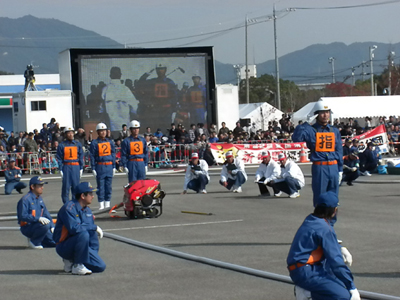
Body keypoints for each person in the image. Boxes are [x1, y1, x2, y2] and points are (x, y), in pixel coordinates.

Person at [287, 192, 360, 300]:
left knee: (336, 281)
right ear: (334, 211)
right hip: (306, 271)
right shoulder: (324, 228)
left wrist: (340, 248)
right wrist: (351, 287)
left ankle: (310, 292)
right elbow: (336, 261)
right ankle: (308, 293)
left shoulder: (311, 219)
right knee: (343, 296)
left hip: (302, 268)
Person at [292, 99, 343, 206]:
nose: (325, 115)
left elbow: (339, 150)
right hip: (320, 167)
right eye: (322, 112)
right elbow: (296, 138)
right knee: (320, 198)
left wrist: (340, 169)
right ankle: (320, 221)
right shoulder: (310, 130)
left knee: (334, 200)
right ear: (316, 114)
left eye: (327, 112)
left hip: (333, 166)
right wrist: (306, 123)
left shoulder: (334, 131)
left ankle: (331, 221)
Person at [53, 182, 106, 275]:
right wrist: (94, 227)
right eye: (90, 194)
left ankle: (73, 261)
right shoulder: (69, 209)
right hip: (64, 245)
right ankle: (77, 265)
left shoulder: (87, 210)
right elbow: (75, 228)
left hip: (81, 247)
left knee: (100, 266)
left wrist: (93, 254)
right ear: (82, 196)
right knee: (83, 234)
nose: (93, 196)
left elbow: (92, 235)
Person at [17, 176, 56, 249]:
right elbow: (22, 216)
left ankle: (42, 241)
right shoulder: (25, 200)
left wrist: (52, 226)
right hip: (28, 226)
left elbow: (46, 214)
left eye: (42, 185)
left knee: (55, 242)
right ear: (32, 187)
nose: (42, 188)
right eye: (40, 186)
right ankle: (34, 242)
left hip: (39, 226)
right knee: (45, 226)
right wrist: (37, 219)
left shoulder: (39, 198)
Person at [101, 66, 139, 132]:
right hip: (125, 126)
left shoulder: (105, 90)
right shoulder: (126, 90)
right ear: (120, 75)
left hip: (111, 127)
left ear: (110, 75)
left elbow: (101, 109)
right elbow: (134, 107)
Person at [89, 123, 116, 210]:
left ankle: (107, 204)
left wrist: (114, 166)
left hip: (109, 165)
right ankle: (101, 204)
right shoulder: (94, 143)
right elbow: (92, 155)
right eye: (101, 131)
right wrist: (93, 167)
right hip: (100, 166)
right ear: (98, 132)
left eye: (104, 131)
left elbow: (113, 153)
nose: (103, 133)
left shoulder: (110, 142)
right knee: (100, 186)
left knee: (108, 186)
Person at [56, 126, 84, 203]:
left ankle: (75, 205)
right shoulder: (62, 145)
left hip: (76, 166)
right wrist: (60, 168)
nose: (70, 134)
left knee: (76, 187)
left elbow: (81, 156)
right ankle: (67, 205)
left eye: (72, 133)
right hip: (66, 166)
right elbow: (59, 158)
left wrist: (81, 167)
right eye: (68, 133)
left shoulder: (77, 144)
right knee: (66, 188)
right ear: (65, 134)